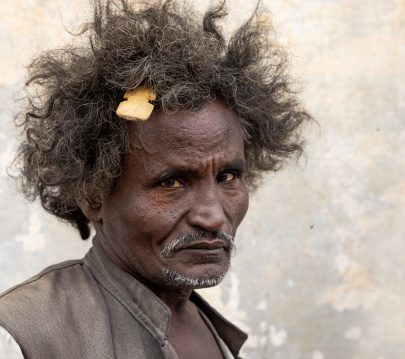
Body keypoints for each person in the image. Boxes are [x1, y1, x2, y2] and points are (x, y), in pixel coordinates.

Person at [0, 0, 312, 358]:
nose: (212, 217)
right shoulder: (20, 335)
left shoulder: (213, 332)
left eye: (228, 176)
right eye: (172, 182)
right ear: (94, 193)